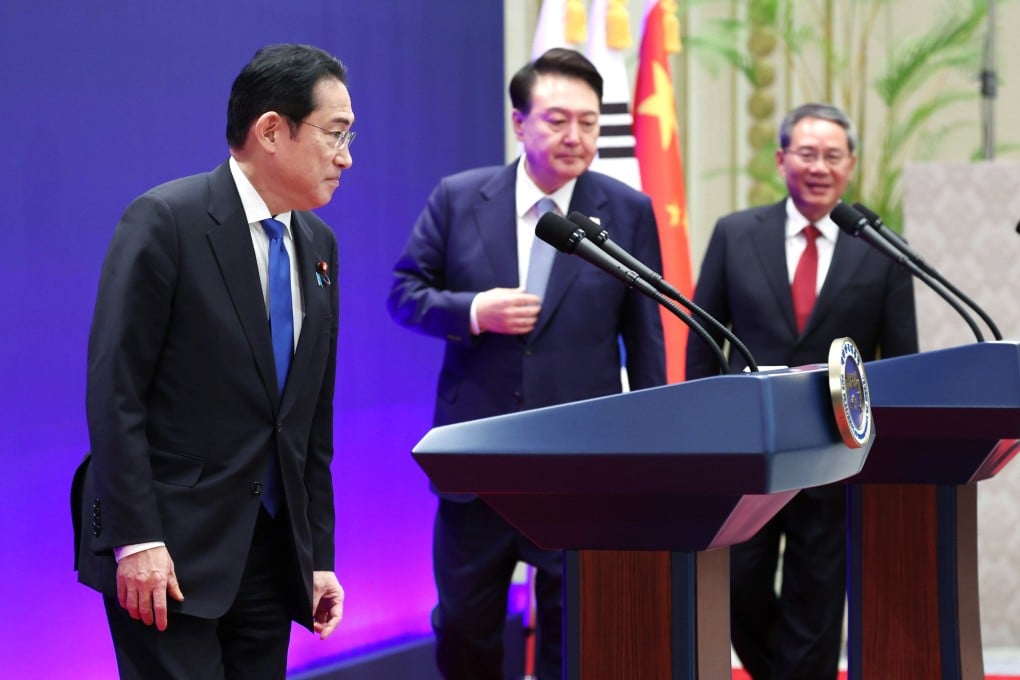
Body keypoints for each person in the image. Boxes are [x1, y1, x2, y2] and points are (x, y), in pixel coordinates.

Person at [73, 43, 351, 679]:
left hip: (267, 553)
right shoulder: (166, 220)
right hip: (166, 553)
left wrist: (315, 556)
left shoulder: (319, 245)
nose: (346, 156)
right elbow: (115, 391)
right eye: (334, 134)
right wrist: (135, 538)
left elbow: (309, 422)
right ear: (272, 130)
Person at [387, 48, 666, 680]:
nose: (575, 137)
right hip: (478, 457)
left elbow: (644, 338)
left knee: (578, 626)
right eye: (557, 120)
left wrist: (655, 450)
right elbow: (403, 295)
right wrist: (473, 310)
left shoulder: (626, 211)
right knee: (463, 625)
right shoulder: (459, 199)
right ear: (520, 122)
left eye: (590, 123)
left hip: (579, 464)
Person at [685, 102, 918, 679]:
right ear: (781, 158)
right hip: (748, 453)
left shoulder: (883, 249)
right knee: (738, 586)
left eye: (832, 156)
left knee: (817, 602)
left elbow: (900, 360)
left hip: (833, 454)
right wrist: (698, 434)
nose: (819, 167)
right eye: (807, 153)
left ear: (851, 165)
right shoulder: (736, 234)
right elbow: (704, 341)